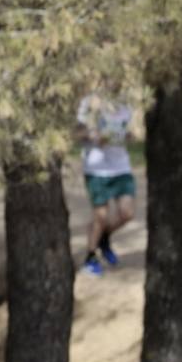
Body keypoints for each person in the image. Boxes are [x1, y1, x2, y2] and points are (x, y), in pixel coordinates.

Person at [75, 89, 136, 276]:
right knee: (100, 216)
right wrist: (94, 136)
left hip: (121, 167)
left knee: (127, 213)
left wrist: (128, 137)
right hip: (96, 169)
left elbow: (129, 132)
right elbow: (75, 134)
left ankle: (103, 238)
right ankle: (91, 256)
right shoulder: (90, 103)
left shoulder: (126, 105)